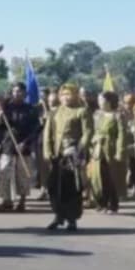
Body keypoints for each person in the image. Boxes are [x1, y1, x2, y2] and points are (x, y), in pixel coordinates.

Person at [44, 83, 90, 231]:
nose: (66, 97)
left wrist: (78, 148)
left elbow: (88, 133)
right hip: (57, 155)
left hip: (72, 156)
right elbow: (48, 134)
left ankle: (72, 218)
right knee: (53, 186)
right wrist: (48, 152)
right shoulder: (55, 112)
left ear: (75, 95)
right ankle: (58, 215)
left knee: (72, 188)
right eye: (63, 94)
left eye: (69, 94)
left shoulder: (81, 111)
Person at [0, 82, 39, 213]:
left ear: (25, 93)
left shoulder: (31, 110)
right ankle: (6, 201)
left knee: (22, 174)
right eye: (14, 91)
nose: (16, 93)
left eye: (19, 91)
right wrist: (0, 117)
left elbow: (35, 130)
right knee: (4, 171)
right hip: (8, 144)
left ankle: (22, 201)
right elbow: (0, 127)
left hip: (25, 146)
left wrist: (26, 143)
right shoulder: (6, 108)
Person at [90, 91, 127, 214]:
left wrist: (119, 151)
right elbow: (92, 131)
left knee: (111, 178)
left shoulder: (117, 116)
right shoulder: (97, 115)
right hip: (97, 149)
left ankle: (113, 205)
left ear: (109, 102)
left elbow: (122, 135)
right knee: (97, 177)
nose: (99, 103)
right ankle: (101, 203)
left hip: (110, 149)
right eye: (99, 100)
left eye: (102, 100)